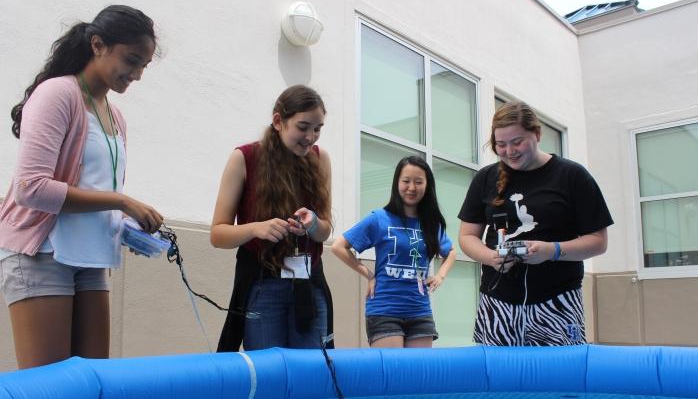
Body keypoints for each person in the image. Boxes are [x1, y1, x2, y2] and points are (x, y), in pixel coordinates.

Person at [0, 5, 163, 369]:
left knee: (92, 387)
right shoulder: (58, 94)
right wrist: (122, 202)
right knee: (52, 394)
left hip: (89, 260)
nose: (136, 74)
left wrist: (127, 227)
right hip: (42, 254)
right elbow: (31, 188)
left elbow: (91, 191)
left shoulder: (114, 115)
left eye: (144, 66)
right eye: (131, 60)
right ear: (97, 45)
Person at [458, 100, 613, 346]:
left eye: (517, 141)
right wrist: (490, 257)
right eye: (501, 145)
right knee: (500, 377)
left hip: (557, 302)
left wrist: (552, 251)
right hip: (498, 302)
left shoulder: (573, 176)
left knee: (559, 376)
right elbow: (467, 236)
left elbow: (598, 241)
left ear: (537, 134)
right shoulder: (485, 178)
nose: (510, 151)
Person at [212, 85, 333, 351]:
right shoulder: (244, 158)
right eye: (303, 127)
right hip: (262, 287)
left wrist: (312, 223)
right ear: (278, 121)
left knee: (313, 374)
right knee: (269, 375)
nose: (310, 137)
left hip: (309, 287)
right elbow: (218, 235)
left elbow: (325, 232)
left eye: (318, 128)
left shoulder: (320, 158)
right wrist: (257, 228)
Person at [332, 156, 456, 348]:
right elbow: (339, 246)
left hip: (420, 310)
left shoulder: (431, 224)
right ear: (397, 183)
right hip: (384, 308)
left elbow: (451, 252)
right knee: (392, 372)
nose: (411, 187)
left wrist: (440, 275)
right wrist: (368, 274)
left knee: (419, 374)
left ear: (427, 185)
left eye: (418, 182)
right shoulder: (379, 218)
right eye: (406, 181)